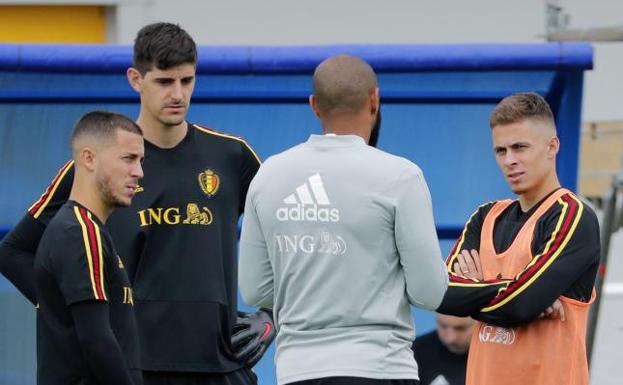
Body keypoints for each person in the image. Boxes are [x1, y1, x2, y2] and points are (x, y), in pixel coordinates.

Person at [0, 22, 274, 385]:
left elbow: (291, 241)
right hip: (134, 368)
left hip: (221, 366)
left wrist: (272, 315)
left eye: (186, 81)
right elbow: (14, 252)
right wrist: (70, 310)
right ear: (135, 79)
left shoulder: (231, 156)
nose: (178, 94)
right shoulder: (99, 163)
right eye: (164, 82)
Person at [238, 54, 449, 385]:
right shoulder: (400, 175)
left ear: (314, 105)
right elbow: (429, 293)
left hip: (298, 371)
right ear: (374, 99)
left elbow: (255, 290)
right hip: (381, 367)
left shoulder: (270, 175)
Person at [436, 92, 600, 385]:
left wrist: (478, 289)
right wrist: (516, 292)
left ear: (552, 147)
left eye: (520, 147)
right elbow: (445, 295)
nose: (510, 160)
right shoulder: (485, 216)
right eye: (501, 151)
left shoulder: (572, 215)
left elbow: (521, 305)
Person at [35, 111, 144, 385]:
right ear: (89, 158)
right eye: (128, 159)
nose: (139, 172)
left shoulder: (86, 229)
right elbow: (97, 341)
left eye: (141, 161)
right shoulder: (80, 232)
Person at [412, 314, 474, 385]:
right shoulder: (413, 352)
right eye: (443, 326)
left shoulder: (489, 357)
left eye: (460, 328)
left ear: (480, 323)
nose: (450, 339)